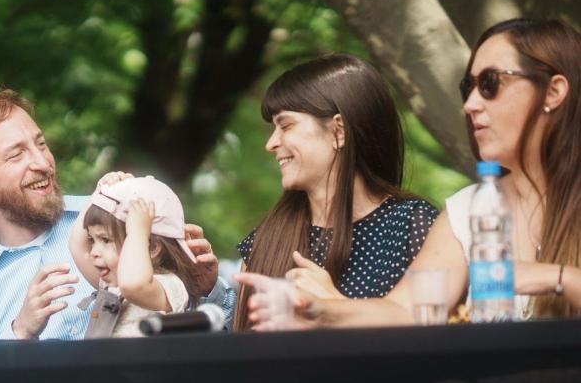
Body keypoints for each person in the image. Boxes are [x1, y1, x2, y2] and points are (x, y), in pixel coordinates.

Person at [240, 18, 581, 328]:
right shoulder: (466, 210)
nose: (471, 104)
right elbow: (406, 310)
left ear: (553, 91)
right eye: (469, 87)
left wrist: (559, 279)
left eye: (491, 83)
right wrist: (321, 311)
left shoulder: (410, 220)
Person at [0, 89, 233, 340]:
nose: (42, 162)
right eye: (16, 155)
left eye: (40, 144)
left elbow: (215, 330)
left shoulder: (119, 219)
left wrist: (207, 290)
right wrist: (20, 332)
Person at [232, 53, 438, 330]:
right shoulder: (266, 238)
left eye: (287, 125)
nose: (271, 143)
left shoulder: (412, 226)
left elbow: (434, 346)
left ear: (339, 131)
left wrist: (332, 306)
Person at [69, 175, 201, 338]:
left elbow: (133, 286)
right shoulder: (112, 284)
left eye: (105, 240)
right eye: (92, 240)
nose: (93, 251)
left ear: (151, 247)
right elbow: (78, 246)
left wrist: (138, 231)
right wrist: (100, 192)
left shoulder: (168, 286)